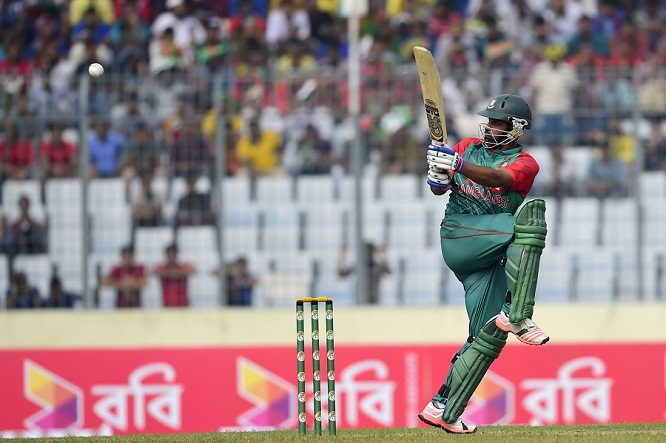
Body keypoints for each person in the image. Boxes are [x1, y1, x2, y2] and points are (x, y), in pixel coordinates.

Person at [418, 94, 549, 434]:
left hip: (489, 253)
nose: (490, 127)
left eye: (498, 123)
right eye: (488, 121)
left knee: (485, 338)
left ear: (517, 129)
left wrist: (456, 166)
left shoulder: (525, 163)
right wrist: (438, 175)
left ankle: (443, 407)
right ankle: (518, 315)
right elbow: (439, 190)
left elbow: (498, 180)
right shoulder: (465, 146)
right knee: (528, 223)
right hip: (460, 235)